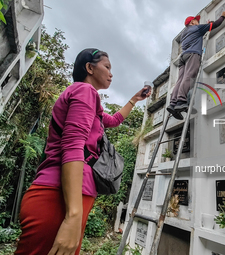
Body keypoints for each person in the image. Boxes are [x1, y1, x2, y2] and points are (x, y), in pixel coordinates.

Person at [14, 48, 151, 255]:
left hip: (66, 197)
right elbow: (72, 145)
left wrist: (133, 99)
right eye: (107, 67)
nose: (111, 73)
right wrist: (73, 216)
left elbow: (113, 121)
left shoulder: (90, 102)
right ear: (89, 68)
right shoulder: (85, 92)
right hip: (58, 197)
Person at [166, 10, 225, 120]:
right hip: (193, 54)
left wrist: (206, 26)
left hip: (183, 57)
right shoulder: (197, 28)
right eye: (196, 20)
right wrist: (223, 16)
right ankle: (181, 101)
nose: (198, 22)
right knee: (190, 75)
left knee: (180, 80)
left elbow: (204, 29)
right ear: (192, 22)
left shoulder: (184, 34)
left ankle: (173, 103)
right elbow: (216, 24)